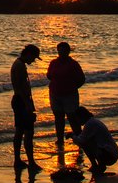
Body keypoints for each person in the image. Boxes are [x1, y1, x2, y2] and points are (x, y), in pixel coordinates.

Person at [46, 41, 86, 147]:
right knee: (58, 118)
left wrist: (72, 88)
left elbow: (82, 79)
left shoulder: (73, 64)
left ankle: (79, 139)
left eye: (63, 51)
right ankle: (60, 140)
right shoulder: (53, 63)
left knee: (72, 117)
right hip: (55, 94)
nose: (61, 53)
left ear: (68, 52)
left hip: (70, 95)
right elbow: (49, 76)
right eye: (59, 51)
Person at [10, 44, 42, 172]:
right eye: (33, 57)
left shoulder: (19, 64)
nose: (33, 60)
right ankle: (31, 162)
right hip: (22, 102)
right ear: (28, 54)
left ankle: (18, 160)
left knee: (19, 132)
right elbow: (20, 88)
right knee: (28, 133)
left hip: (19, 101)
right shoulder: (19, 66)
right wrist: (28, 105)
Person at [72, 106, 118, 175]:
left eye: (77, 119)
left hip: (109, 155)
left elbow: (81, 140)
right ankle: (98, 164)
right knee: (87, 141)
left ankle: (97, 165)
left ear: (81, 117)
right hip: (112, 153)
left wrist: (72, 136)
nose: (77, 121)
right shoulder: (93, 121)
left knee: (84, 143)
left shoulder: (90, 124)